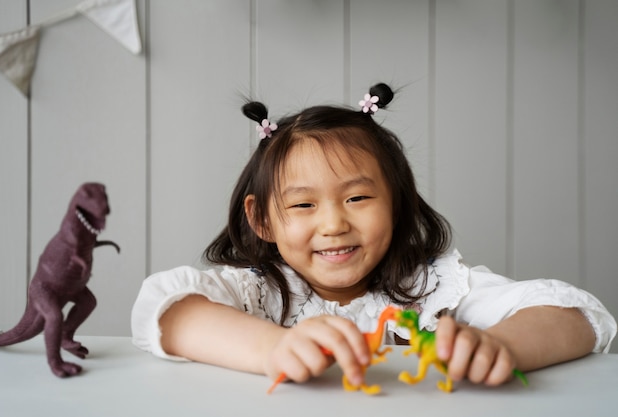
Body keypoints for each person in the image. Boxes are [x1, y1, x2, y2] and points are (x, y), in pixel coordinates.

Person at [131, 83, 616, 389]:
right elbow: (163, 309)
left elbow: (579, 314)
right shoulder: (254, 291)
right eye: (302, 205)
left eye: (357, 198)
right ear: (262, 220)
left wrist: (503, 347)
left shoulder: (433, 288)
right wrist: (271, 348)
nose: (334, 224)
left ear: (398, 201)